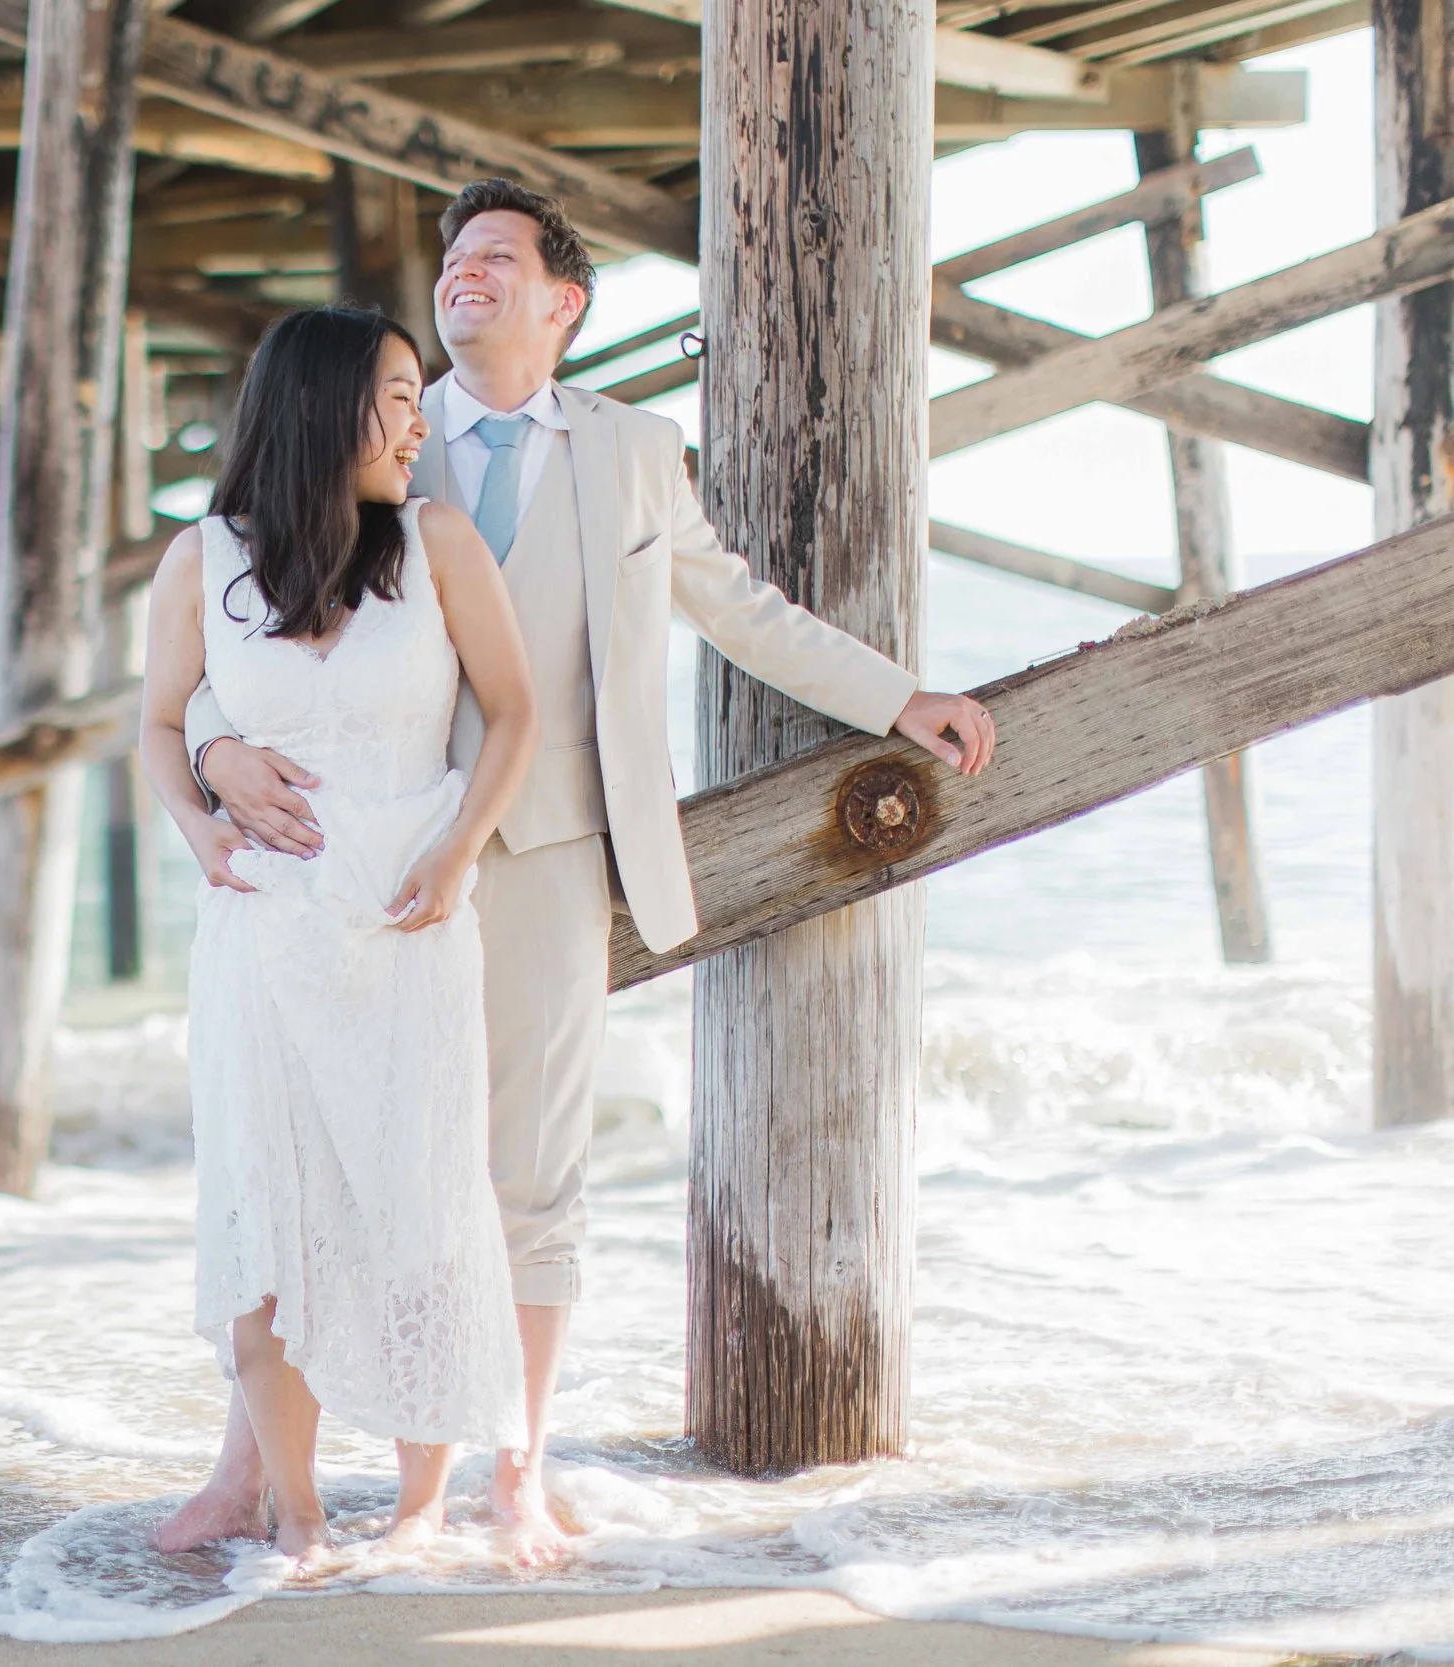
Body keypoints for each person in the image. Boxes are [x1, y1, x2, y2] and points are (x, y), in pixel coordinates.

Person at [157, 179, 997, 1564]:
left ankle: (516, 1471)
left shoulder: (633, 450)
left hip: (546, 844)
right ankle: (251, 1469)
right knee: (300, 1155)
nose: (462, 270)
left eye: (496, 254)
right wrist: (212, 747)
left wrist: (899, 697)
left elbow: (741, 609)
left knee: (525, 1175)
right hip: (357, 850)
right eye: (453, 254)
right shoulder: (375, 431)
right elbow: (240, 621)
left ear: (565, 300)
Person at [138, 306, 543, 1559]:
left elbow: (516, 711)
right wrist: (199, 828)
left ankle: (420, 1510)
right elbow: (159, 723)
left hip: (408, 925)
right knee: (270, 1219)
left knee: (422, 1214)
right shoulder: (200, 558)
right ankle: (298, 1515)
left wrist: (459, 847)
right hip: (263, 934)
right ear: (321, 404)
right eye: (399, 395)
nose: (420, 422)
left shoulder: (435, 541)